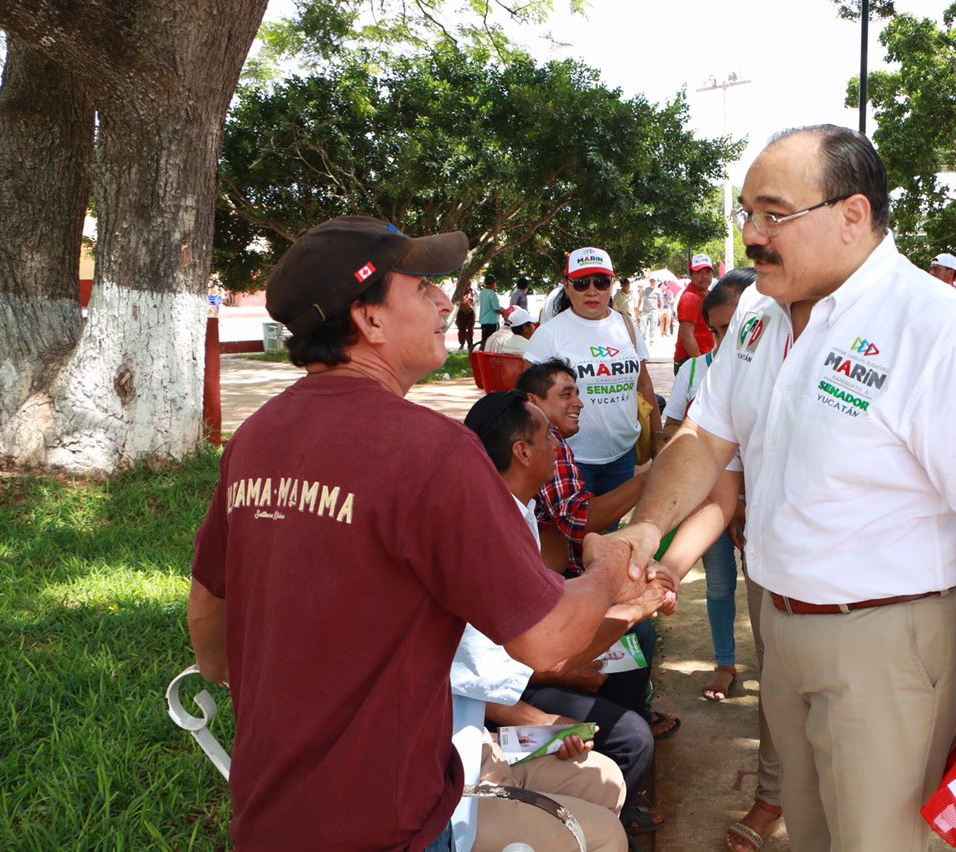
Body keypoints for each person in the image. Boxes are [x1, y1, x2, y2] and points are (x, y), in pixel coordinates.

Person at [602, 125, 956, 850]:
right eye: (747, 213)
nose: (751, 235)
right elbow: (706, 437)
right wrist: (647, 532)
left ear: (853, 216)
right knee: (807, 831)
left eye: (773, 214)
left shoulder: (941, 333)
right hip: (780, 627)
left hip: (890, 644)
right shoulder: (757, 314)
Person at [185, 215, 653, 850]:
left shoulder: (258, 436)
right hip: (391, 820)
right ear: (369, 320)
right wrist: (607, 567)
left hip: (271, 809)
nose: (444, 300)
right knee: (601, 837)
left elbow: (210, 626)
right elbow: (548, 642)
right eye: (422, 285)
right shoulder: (433, 449)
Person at [459, 391, 660, 850]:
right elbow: (478, 668)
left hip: (516, 681)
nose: (559, 446)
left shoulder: (519, 510)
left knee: (633, 646)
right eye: (548, 435)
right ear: (521, 451)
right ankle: (606, 824)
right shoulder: (483, 530)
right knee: (630, 739)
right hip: (505, 698)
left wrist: (630, 610)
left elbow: (544, 605)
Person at [663, 269, 756, 703]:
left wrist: (743, 499)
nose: (724, 338)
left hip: (760, 507)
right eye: (716, 328)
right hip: (710, 502)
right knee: (719, 585)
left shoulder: (784, 371)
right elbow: (673, 432)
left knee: (765, 590)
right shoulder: (698, 370)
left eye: (734, 325)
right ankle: (725, 663)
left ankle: (776, 668)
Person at [524, 247, 664, 496]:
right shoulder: (549, 334)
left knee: (609, 529)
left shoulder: (626, 325)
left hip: (623, 452)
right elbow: (528, 400)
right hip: (572, 456)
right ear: (566, 286)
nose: (592, 291)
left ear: (611, 285)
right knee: (576, 531)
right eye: (581, 283)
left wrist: (656, 436)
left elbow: (643, 384)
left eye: (600, 282)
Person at [517, 360, 647, 577]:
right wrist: (648, 479)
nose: (579, 403)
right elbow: (576, 520)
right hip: (543, 577)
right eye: (566, 395)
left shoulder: (531, 436)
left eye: (577, 394)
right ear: (533, 401)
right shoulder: (547, 441)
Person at [674, 254, 717, 372]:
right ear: (691, 275)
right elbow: (687, 336)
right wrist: (701, 366)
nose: (704, 276)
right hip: (691, 361)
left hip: (703, 358)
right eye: (699, 272)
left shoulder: (708, 295)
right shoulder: (690, 298)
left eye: (708, 272)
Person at [478, 273, 503, 346]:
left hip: (484, 321)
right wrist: (504, 312)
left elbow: (488, 305)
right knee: (492, 341)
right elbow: (496, 309)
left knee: (484, 340)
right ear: (492, 283)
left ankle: (480, 354)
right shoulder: (492, 294)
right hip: (492, 321)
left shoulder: (482, 292)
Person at [456, 288, 476, 353]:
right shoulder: (459, 292)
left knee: (470, 329)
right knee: (461, 329)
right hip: (461, 312)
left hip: (470, 312)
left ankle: (470, 344)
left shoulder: (473, 292)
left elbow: (475, 302)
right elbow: (456, 303)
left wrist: (471, 307)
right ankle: (462, 344)